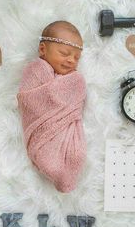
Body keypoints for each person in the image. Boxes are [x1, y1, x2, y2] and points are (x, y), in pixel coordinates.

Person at [17, 21, 87, 193]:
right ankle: (58, 173)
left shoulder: (73, 79)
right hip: (42, 132)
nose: (71, 60)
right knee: (50, 162)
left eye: (77, 57)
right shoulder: (35, 69)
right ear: (43, 50)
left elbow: (75, 96)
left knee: (76, 155)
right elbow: (29, 101)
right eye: (64, 53)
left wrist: (68, 84)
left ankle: (67, 178)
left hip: (63, 128)